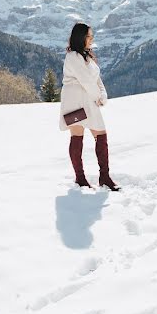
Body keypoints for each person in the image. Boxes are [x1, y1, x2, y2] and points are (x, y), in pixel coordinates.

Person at [58, 23, 119, 191]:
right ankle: (80, 178)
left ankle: (104, 176)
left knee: (101, 134)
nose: (91, 40)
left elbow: (96, 79)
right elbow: (85, 80)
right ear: (80, 37)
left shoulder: (88, 56)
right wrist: (98, 97)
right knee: (77, 136)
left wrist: (103, 96)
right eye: (89, 36)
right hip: (75, 100)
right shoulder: (72, 57)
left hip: (88, 100)